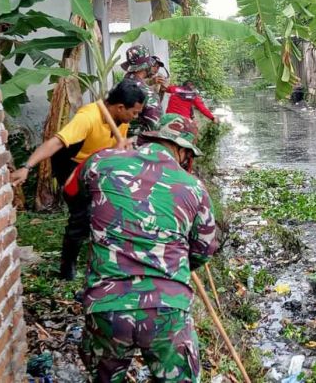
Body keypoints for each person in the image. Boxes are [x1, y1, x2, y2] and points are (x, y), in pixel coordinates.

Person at [64, 114, 218, 383]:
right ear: (181, 150)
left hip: (106, 307)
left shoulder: (102, 162)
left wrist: (91, 217)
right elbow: (203, 250)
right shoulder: (194, 187)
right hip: (167, 308)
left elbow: (71, 189)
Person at [10, 79, 145, 280]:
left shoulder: (120, 120)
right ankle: (67, 268)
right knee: (82, 214)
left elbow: (114, 147)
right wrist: (26, 167)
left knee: (111, 206)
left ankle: (105, 255)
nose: (135, 117)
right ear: (119, 107)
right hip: (73, 167)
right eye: (134, 113)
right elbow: (55, 143)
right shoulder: (87, 118)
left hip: (97, 163)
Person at [121, 44, 163, 133]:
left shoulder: (117, 88)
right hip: (138, 144)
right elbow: (155, 130)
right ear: (147, 66)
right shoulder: (149, 95)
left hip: (115, 143)